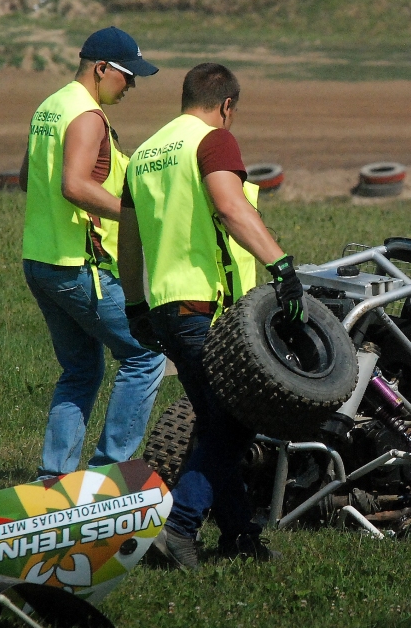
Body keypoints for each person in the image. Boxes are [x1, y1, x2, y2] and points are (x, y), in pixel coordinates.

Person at [117, 62, 306, 569]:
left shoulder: (145, 155)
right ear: (226, 106)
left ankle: (240, 535)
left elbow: (129, 242)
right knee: (233, 423)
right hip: (208, 307)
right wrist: (282, 267)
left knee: (215, 422)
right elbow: (229, 205)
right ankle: (178, 529)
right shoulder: (213, 141)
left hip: (163, 308)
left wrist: (136, 306)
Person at [20, 27, 166, 479]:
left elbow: (30, 178)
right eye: (128, 76)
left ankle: (54, 480)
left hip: (40, 261)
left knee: (81, 370)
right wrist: (134, 218)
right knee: (146, 356)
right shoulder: (87, 115)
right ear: (101, 69)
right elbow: (74, 185)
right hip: (79, 266)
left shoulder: (50, 107)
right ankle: (108, 475)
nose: (133, 85)